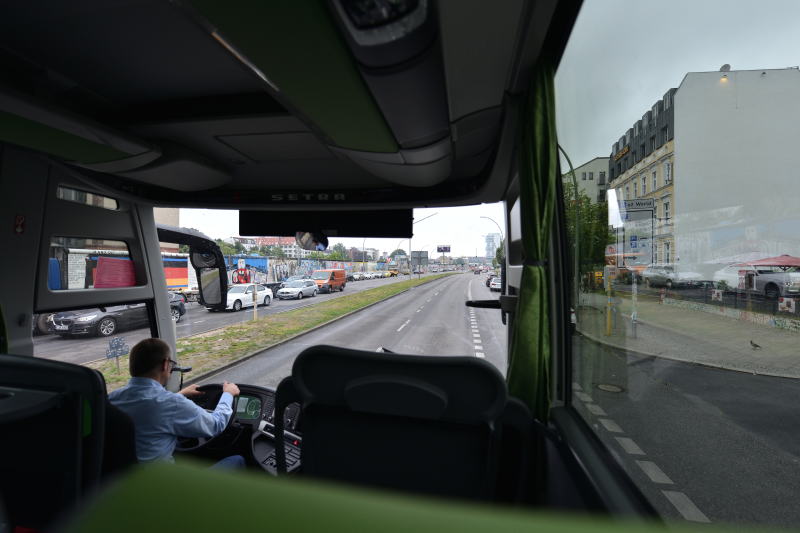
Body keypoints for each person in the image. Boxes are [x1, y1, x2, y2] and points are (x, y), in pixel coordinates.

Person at [109, 338, 245, 468]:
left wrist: (180, 394)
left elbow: (149, 406)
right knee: (238, 460)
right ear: (165, 364)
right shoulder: (172, 403)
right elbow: (216, 424)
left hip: (121, 478)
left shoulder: (111, 398)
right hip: (160, 481)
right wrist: (228, 393)